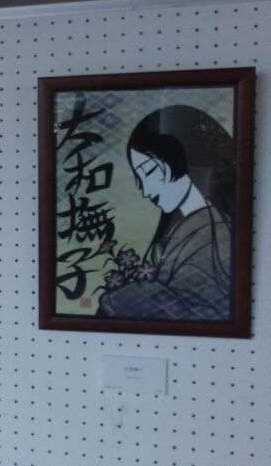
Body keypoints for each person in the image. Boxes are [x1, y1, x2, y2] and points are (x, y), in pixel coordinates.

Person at [97, 105, 235, 321]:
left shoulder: (212, 231)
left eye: (149, 171)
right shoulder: (190, 224)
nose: (146, 190)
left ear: (180, 160)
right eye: (140, 178)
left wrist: (122, 297)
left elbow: (196, 307)